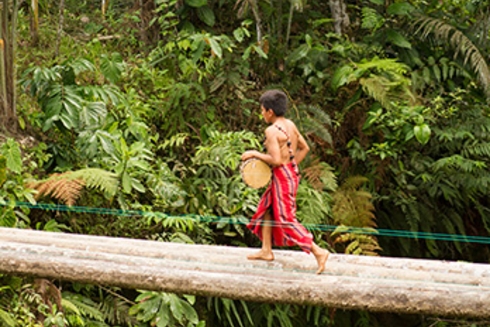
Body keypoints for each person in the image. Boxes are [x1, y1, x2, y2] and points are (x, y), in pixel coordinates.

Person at [241, 89, 329, 274]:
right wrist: (292, 165)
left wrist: (254, 153)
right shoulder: (290, 124)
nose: (262, 113)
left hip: (282, 175)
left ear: (269, 111)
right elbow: (304, 148)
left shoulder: (272, 131)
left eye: (262, 110)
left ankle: (318, 251)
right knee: (268, 208)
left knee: (285, 219)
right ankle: (266, 250)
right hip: (290, 173)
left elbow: (276, 160)